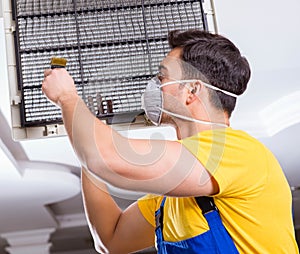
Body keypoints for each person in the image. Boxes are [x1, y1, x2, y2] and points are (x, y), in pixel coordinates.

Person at [42, 29, 299, 253]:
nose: (154, 86)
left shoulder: (240, 153)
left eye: (162, 77)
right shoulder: (168, 199)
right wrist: (87, 140)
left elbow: (105, 158)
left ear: (191, 90)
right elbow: (111, 240)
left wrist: (68, 98)